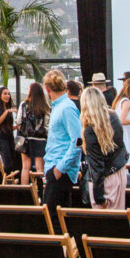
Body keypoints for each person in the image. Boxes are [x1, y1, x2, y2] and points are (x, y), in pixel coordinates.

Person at [42, 69, 82, 227]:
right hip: (56, 167)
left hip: (60, 169)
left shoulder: (66, 107)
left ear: (47, 89)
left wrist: (60, 168)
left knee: (53, 220)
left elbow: (78, 141)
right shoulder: (61, 106)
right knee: (56, 219)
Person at [80, 86, 129, 209]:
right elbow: (121, 148)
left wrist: (99, 197)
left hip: (103, 181)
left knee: (102, 224)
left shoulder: (90, 130)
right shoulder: (114, 118)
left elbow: (97, 166)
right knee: (118, 221)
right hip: (119, 174)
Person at [17, 82, 50, 184]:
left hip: (25, 139)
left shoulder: (24, 105)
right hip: (40, 139)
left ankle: (25, 191)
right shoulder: (45, 106)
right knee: (40, 166)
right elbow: (47, 125)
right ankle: (40, 190)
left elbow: (18, 121)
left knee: (25, 166)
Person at [0, 87, 16, 175]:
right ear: (0, 95)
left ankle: (10, 181)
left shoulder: (7, 106)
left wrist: (16, 127)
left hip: (10, 137)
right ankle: (6, 182)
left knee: (12, 162)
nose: (7, 96)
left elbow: (8, 126)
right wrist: (6, 112)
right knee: (7, 164)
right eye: (5, 94)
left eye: (8, 94)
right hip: (1, 138)